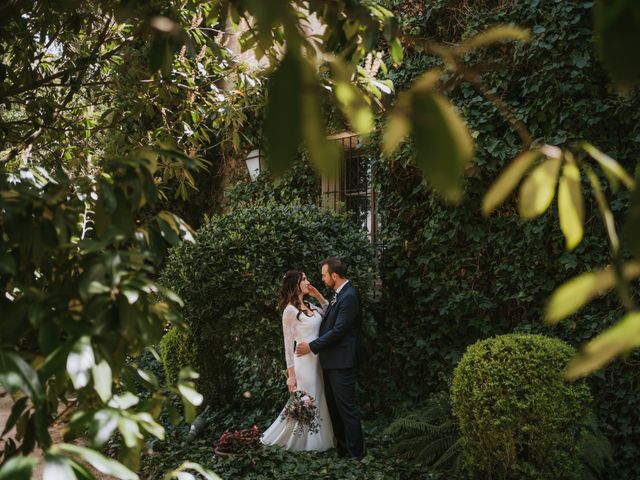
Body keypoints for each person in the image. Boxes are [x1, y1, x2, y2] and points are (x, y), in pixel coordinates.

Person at [295, 257, 364, 460]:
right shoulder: (339, 294)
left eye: (325, 275)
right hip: (332, 361)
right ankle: (343, 449)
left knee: (347, 410)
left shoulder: (349, 296)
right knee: (334, 408)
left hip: (342, 362)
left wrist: (311, 346)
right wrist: (317, 295)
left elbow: (338, 330)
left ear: (334, 275)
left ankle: (356, 454)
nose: (322, 279)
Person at [261, 270, 336, 451]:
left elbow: (329, 313)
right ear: (295, 284)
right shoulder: (290, 310)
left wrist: (317, 294)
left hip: (318, 361)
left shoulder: (310, 305)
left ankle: (317, 439)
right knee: (306, 400)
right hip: (303, 364)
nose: (308, 281)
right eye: (304, 279)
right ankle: (303, 442)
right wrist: (291, 376)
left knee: (318, 397)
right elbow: (288, 346)